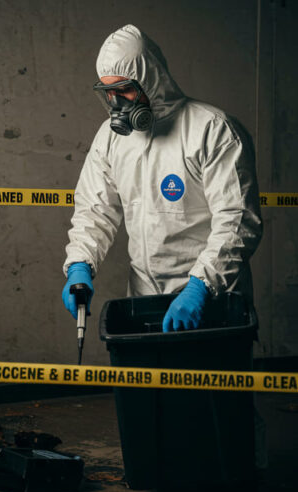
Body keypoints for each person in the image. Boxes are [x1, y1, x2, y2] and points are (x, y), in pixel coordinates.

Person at [62, 25, 262, 333]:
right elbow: (95, 209)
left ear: (150, 80)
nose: (117, 103)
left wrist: (201, 288)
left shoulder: (212, 131)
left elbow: (237, 220)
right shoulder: (111, 139)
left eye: (125, 90)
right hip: (146, 302)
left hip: (212, 301)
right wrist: (80, 264)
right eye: (108, 92)